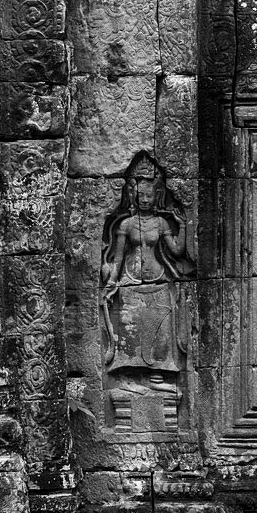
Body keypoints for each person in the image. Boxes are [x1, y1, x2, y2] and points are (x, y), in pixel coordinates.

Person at [99, 153, 193, 374]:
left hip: (158, 279)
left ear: (156, 196)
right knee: (130, 325)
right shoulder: (126, 223)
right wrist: (112, 282)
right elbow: (119, 257)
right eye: (140, 196)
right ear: (134, 196)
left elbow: (177, 252)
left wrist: (184, 225)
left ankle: (162, 366)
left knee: (161, 326)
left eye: (148, 196)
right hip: (130, 279)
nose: (144, 200)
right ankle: (129, 367)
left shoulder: (161, 223)